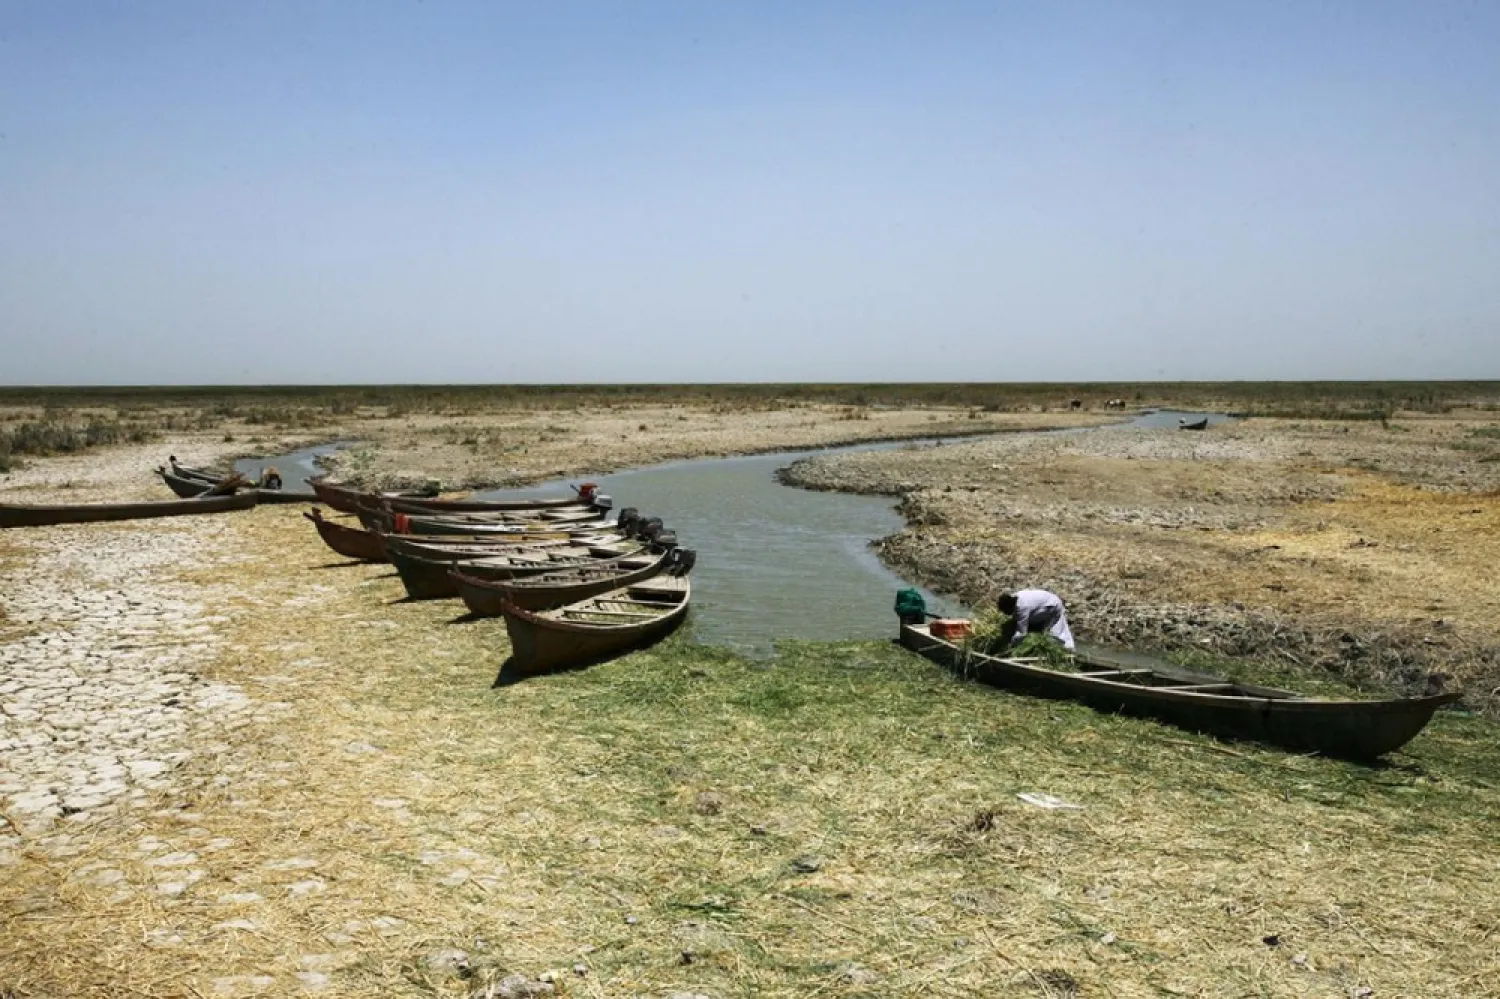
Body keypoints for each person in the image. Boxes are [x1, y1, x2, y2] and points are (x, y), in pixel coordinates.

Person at [996, 589, 1075, 651]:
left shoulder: (1023, 608)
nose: (1005, 614)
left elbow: (1022, 633)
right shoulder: (1015, 597)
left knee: (1052, 635)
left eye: (1005, 611)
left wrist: (1011, 644)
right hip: (1046, 602)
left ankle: (1066, 650)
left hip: (1052, 606)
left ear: (1009, 607)